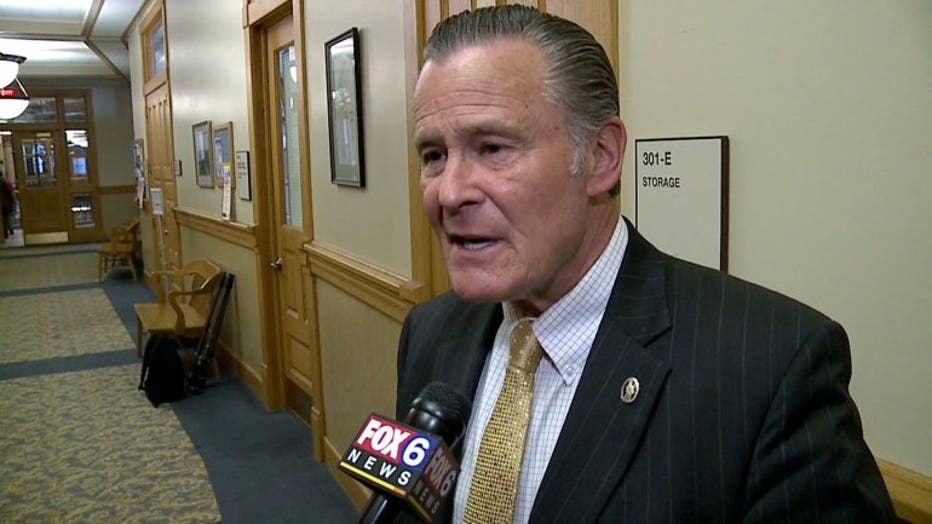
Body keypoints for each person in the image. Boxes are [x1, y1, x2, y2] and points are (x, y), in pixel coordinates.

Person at [395, 5, 894, 523]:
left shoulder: (773, 369)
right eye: (434, 155)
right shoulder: (429, 332)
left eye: (493, 148)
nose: (449, 193)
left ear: (601, 156)